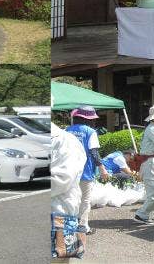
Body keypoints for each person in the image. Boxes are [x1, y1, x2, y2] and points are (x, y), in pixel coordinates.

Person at [65, 106, 109, 235]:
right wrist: (102, 169)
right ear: (89, 119)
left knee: (71, 198)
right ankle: (83, 226)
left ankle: (70, 225)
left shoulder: (67, 130)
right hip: (85, 171)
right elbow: (94, 153)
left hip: (68, 171)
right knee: (85, 199)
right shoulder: (90, 132)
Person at [50, 123, 87, 258]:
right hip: (56, 207)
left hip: (60, 210)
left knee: (60, 252)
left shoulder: (65, 141)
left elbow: (63, 179)